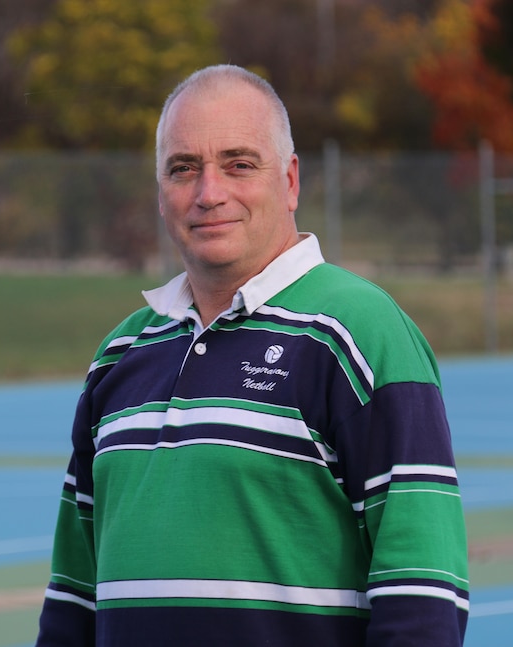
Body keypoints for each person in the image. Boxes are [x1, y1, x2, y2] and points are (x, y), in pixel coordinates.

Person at [35, 64, 469, 647]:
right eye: (183, 168)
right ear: (161, 194)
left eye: (239, 164)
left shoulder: (359, 333)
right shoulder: (119, 357)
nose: (209, 193)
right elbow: (72, 601)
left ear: (289, 181)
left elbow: (422, 596)